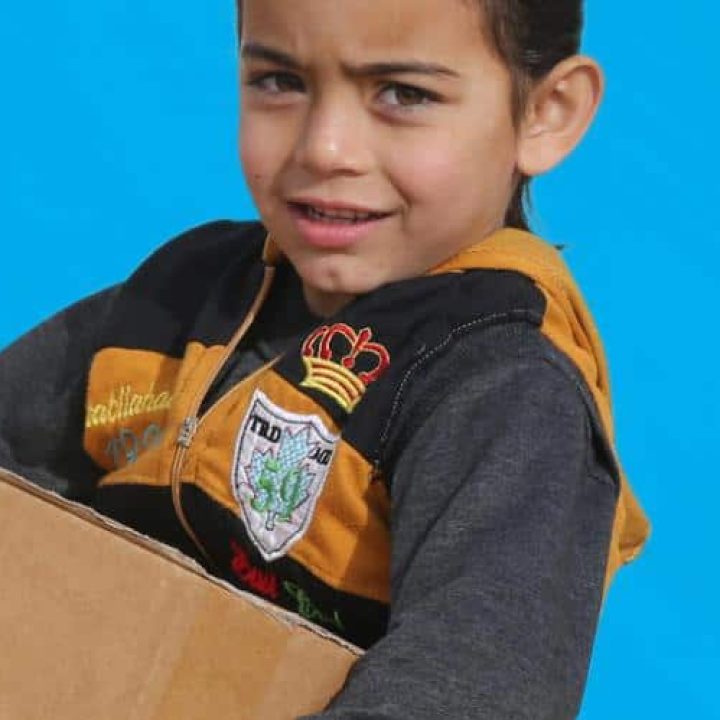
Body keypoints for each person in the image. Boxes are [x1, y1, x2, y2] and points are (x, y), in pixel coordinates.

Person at [0, 0, 650, 717]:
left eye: (403, 93)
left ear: (547, 113)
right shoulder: (184, 292)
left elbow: (471, 691)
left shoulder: (505, 391)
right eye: (281, 81)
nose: (324, 148)